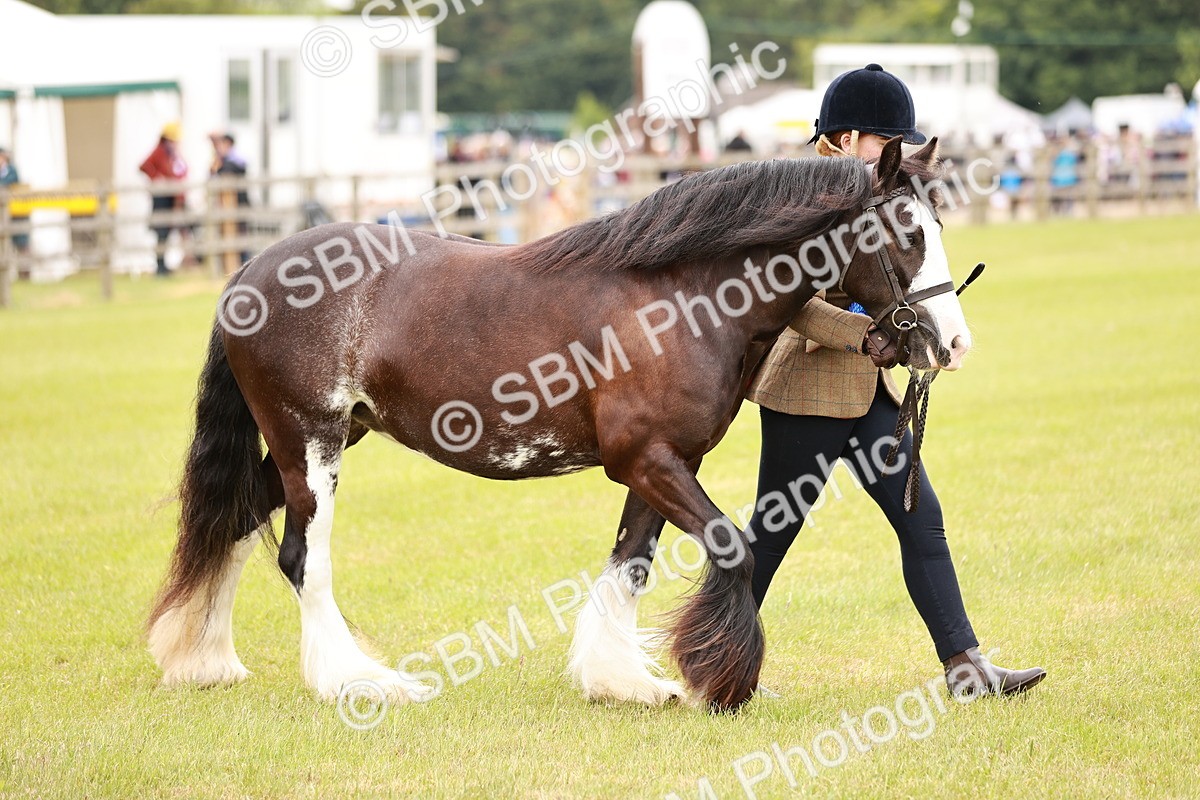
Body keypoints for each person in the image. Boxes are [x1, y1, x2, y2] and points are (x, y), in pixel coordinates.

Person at [746, 64, 1045, 697]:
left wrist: (921, 330)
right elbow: (789, 302)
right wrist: (861, 333)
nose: (898, 153)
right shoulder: (800, 198)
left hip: (872, 390)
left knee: (921, 518)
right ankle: (718, 667)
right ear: (848, 139)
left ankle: (966, 666)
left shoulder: (885, 195)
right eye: (889, 141)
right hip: (807, 388)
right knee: (773, 534)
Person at [139, 122, 188, 276]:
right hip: (162, 199)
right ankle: (160, 266)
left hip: (171, 198)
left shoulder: (172, 154)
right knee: (161, 232)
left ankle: (165, 264)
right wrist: (157, 178)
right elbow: (144, 166)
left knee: (168, 232)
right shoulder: (160, 152)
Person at [209, 132, 251, 267]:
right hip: (227, 204)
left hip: (238, 202)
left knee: (241, 234)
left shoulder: (234, 159)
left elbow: (234, 169)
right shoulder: (222, 159)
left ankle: (244, 262)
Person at [0, 147, 29, 255]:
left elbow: (11, 182)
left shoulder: (11, 170)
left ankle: (23, 260)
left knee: (20, 237)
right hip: (3, 211)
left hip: (15, 209)